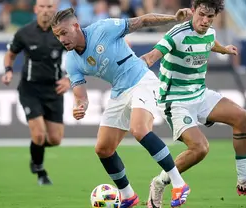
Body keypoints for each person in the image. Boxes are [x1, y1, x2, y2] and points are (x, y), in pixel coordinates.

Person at [51, 7, 192, 208]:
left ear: (75, 26)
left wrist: (173, 18)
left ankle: (179, 184)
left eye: (64, 33)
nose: (61, 39)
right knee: (103, 148)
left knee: (139, 129)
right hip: (119, 91)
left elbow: (142, 21)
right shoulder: (72, 61)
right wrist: (79, 106)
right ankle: (128, 196)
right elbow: (80, 95)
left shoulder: (104, 28)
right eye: (57, 36)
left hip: (141, 80)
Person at [140, 0, 246, 207]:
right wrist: (138, 66)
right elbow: (152, 56)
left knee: (242, 117)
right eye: (201, 14)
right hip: (175, 100)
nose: (204, 21)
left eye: (210, 17)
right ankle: (159, 183)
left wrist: (224, 50)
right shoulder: (177, 34)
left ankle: (245, 181)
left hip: (200, 94)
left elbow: (210, 43)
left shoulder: (210, 32)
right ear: (193, 11)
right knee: (200, 148)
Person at [1, 0, 70, 185]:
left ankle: (35, 149)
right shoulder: (25, 32)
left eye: (49, 7)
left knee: (55, 139)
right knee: (39, 134)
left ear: (55, 10)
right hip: (30, 89)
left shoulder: (62, 32)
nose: (46, 11)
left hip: (54, 89)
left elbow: (79, 56)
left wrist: (69, 79)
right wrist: (8, 70)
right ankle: (40, 171)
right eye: (42, 7)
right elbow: (11, 53)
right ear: (35, 9)